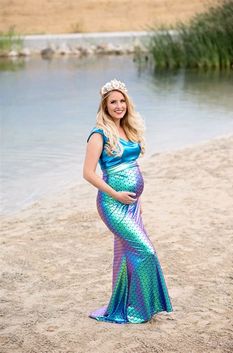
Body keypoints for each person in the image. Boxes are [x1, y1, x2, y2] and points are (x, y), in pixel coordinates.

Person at [83, 78, 173, 324]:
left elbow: (132, 166)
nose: (119, 105)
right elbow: (88, 173)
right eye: (113, 102)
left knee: (125, 256)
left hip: (131, 204)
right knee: (146, 251)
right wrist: (117, 195)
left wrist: (136, 200)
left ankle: (130, 306)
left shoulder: (128, 129)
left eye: (122, 101)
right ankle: (137, 310)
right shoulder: (98, 133)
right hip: (112, 204)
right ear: (105, 105)